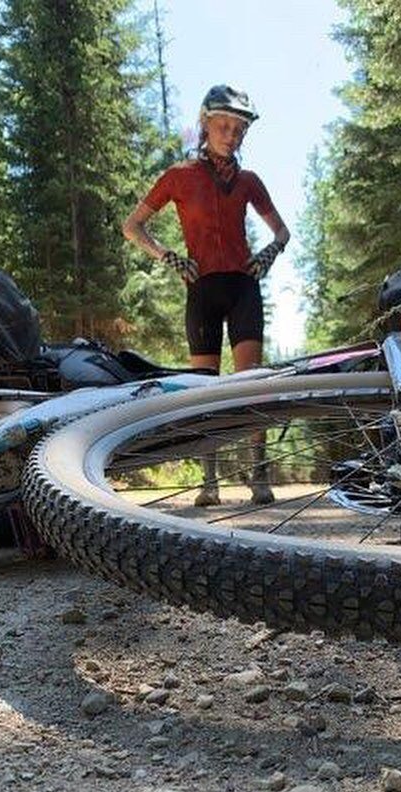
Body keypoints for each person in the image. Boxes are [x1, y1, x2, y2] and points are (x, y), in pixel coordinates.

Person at [122, 84, 290, 506]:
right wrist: (169, 258)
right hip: (201, 290)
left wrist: (268, 253)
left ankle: (258, 475)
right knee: (204, 390)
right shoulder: (179, 177)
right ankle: (209, 483)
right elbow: (132, 226)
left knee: (252, 384)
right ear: (205, 124)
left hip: (243, 288)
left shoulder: (249, 181)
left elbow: (283, 231)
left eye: (239, 129)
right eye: (223, 126)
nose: (231, 135)